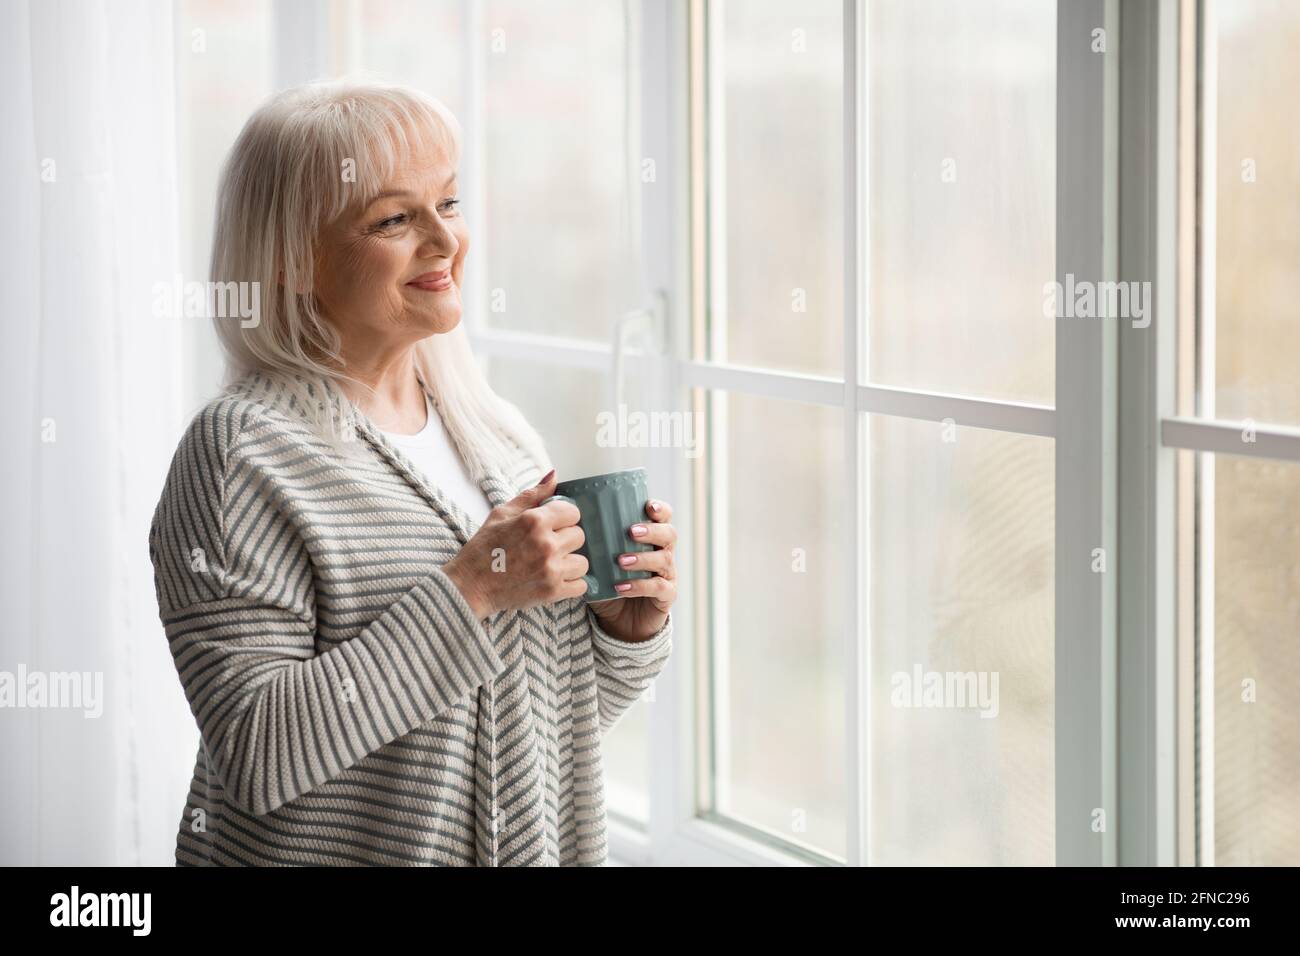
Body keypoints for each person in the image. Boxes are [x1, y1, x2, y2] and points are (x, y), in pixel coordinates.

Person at [148, 77, 677, 866]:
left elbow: (511, 729)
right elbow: (258, 753)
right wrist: (472, 590)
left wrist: (622, 638)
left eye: (451, 203)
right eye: (395, 218)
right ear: (293, 261)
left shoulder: (494, 433)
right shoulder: (238, 457)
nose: (446, 240)